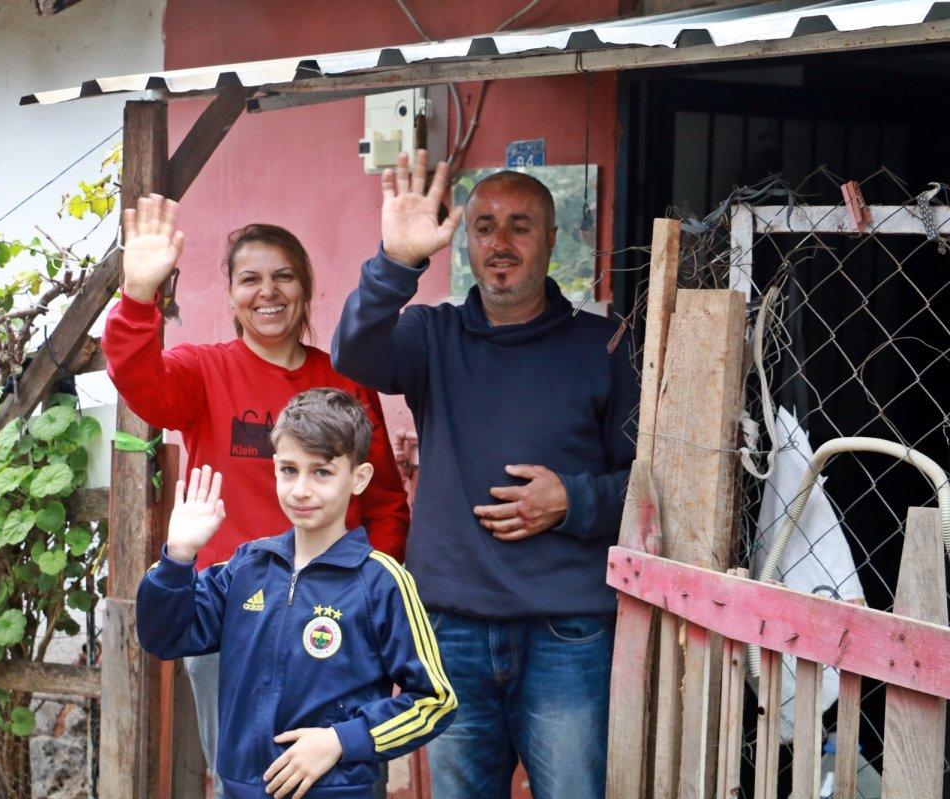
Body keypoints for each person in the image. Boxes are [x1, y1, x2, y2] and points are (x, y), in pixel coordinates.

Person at [332, 151, 637, 798]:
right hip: (450, 629)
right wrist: (396, 262)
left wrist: (572, 499)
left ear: (554, 239)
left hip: (568, 631)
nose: (500, 242)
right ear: (466, 240)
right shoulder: (429, 335)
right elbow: (354, 353)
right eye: (485, 225)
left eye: (520, 225)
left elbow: (646, 487)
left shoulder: (605, 346)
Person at [102, 196, 409, 798]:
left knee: (341, 774)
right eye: (250, 279)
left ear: (306, 288)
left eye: (283, 277)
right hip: (231, 618)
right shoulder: (201, 371)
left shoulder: (344, 378)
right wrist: (138, 299)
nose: (267, 293)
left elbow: (385, 502)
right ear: (232, 294)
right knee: (243, 781)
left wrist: (374, 592)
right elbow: (137, 378)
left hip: (336, 620)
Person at [136, 389, 456, 799]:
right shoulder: (245, 567)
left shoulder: (382, 581)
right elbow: (163, 637)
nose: (301, 489)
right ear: (274, 469)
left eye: (321, 472)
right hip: (237, 790)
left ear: (359, 478)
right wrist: (178, 557)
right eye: (289, 470)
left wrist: (342, 740)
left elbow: (434, 702)